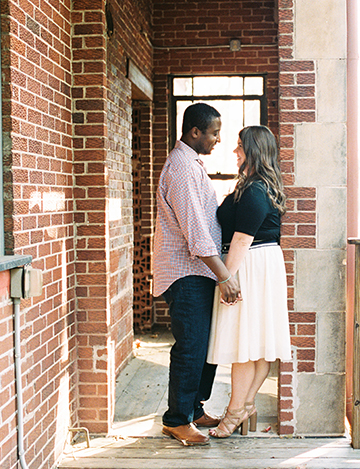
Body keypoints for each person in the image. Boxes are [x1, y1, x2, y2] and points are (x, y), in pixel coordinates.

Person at [153, 102, 242, 446]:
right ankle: (176, 420)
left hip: (197, 271)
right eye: (215, 132)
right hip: (184, 273)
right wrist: (224, 275)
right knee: (191, 347)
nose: (218, 139)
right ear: (195, 132)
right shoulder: (182, 169)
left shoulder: (192, 165)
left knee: (204, 344)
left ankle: (194, 408)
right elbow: (196, 231)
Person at [207, 125, 292, 438]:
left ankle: (234, 413)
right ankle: (246, 406)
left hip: (250, 263)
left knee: (245, 345)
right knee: (253, 344)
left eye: (240, 145)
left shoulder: (255, 189)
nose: (234, 150)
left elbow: (242, 239)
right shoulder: (258, 185)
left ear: (254, 150)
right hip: (259, 264)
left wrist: (225, 277)